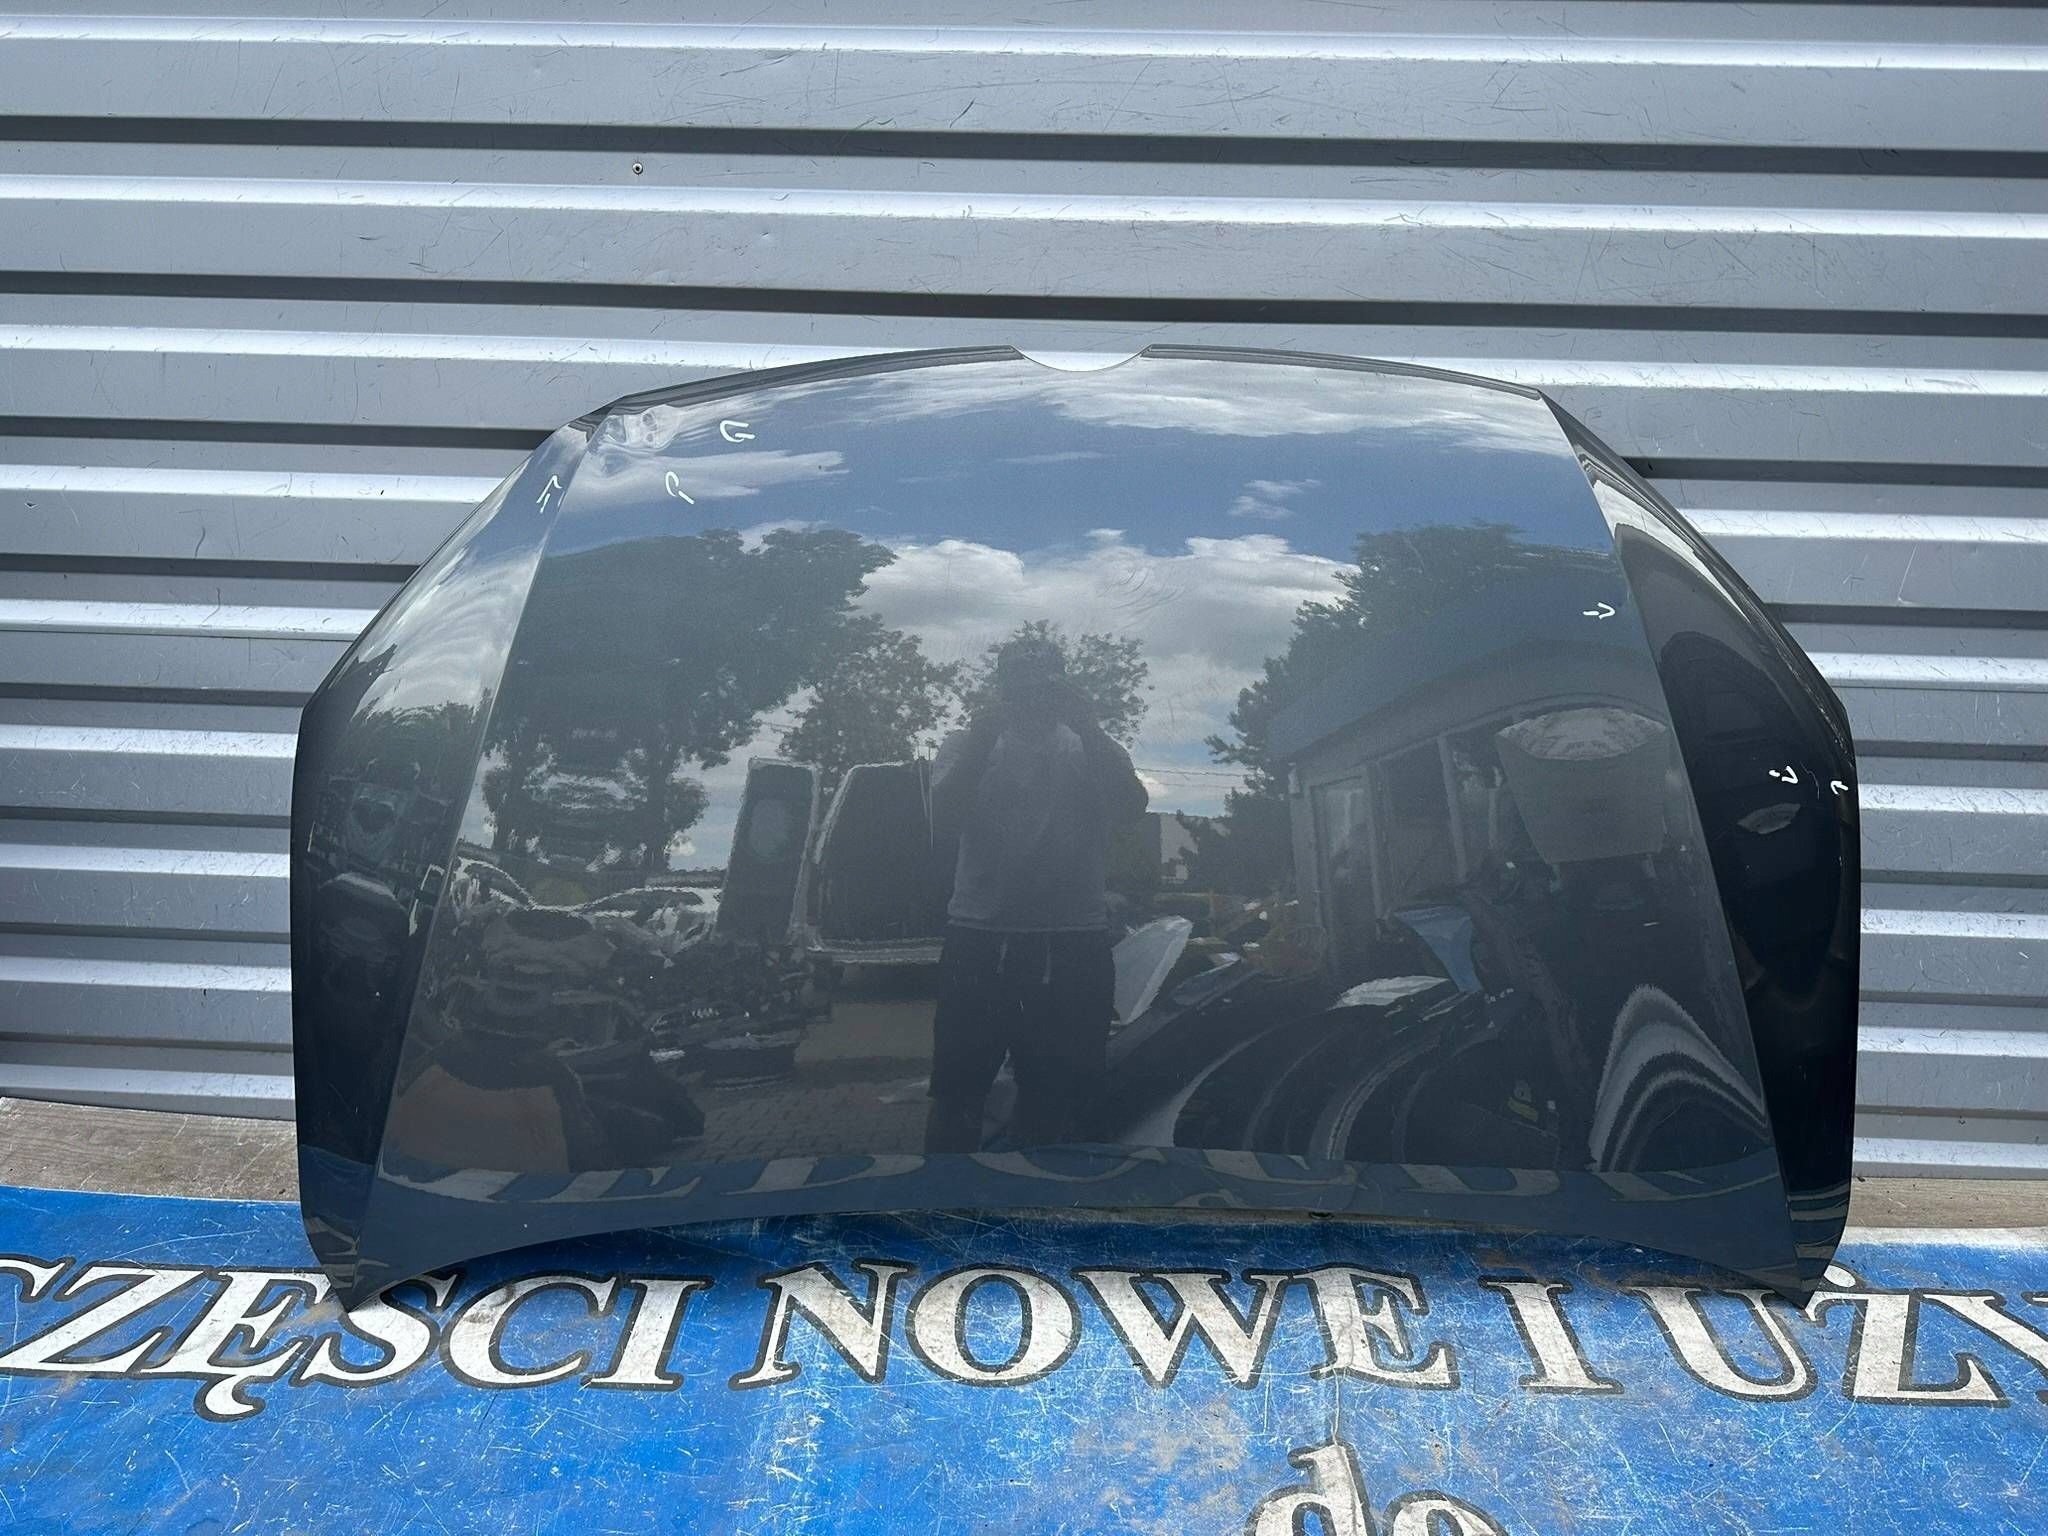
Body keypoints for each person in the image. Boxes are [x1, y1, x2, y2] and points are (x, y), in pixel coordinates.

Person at [924, 636, 1148, 1151]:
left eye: (1043, 684)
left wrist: (1090, 728)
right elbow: (946, 820)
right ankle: (941, 1190)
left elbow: (1131, 809)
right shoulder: (965, 744)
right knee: (958, 1092)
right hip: (981, 937)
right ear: (1002, 689)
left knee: (1057, 1096)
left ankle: (1035, 1190)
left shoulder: (1090, 746)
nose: (1032, 696)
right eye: (1019, 685)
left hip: (1072, 940)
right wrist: (983, 738)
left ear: (1062, 688)